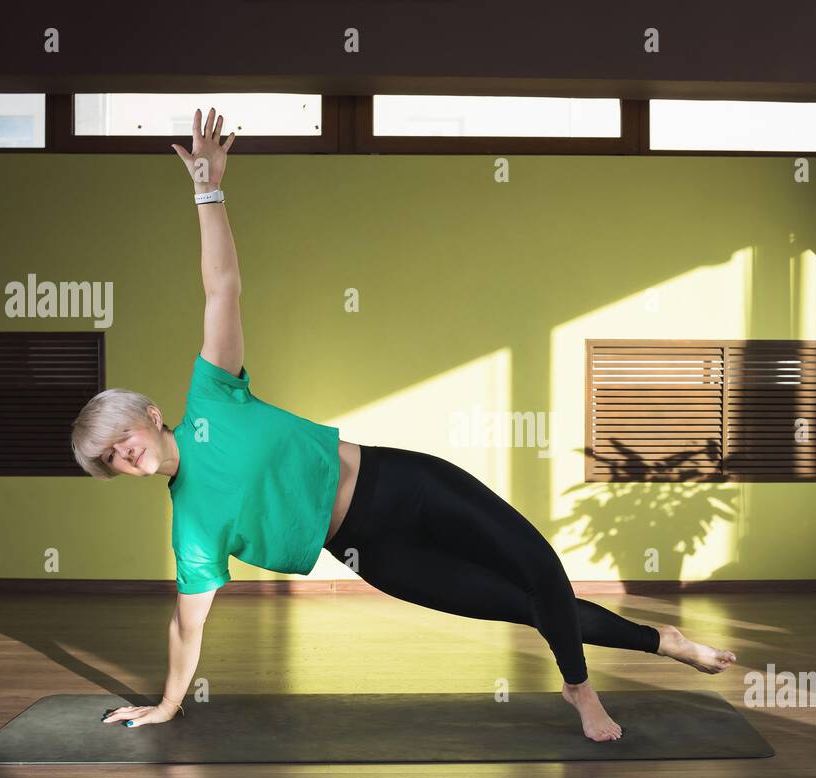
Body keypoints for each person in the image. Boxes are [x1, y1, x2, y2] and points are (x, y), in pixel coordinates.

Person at [79, 108, 736, 743]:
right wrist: (167, 704)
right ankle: (663, 642)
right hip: (375, 551)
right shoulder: (191, 523)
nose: (121, 455)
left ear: (152, 415)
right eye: (107, 459)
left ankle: (580, 687)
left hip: (402, 482)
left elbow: (221, 288)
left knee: (539, 566)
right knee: (521, 603)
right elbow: (187, 625)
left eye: (120, 437)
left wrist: (208, 192)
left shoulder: (214, 396)